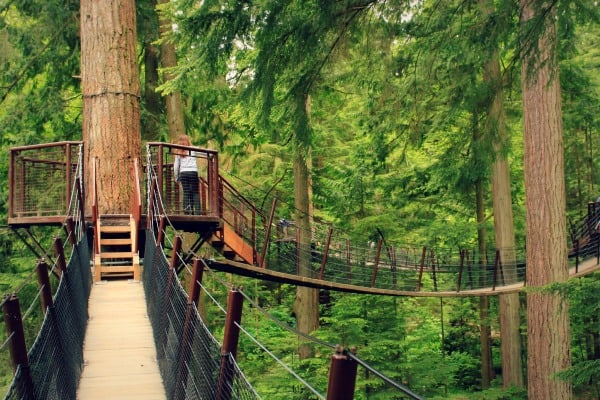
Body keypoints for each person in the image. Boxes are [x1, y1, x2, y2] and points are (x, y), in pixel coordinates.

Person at [173, 135, 201, 215]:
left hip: (183, 173)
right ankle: (198, 212)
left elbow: (176, 166)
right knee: (195, 192)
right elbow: (204, 153)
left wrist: (176, 177)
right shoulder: (193, 149)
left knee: (186, 192)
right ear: (188, 141)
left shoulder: (178, 152)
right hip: (193, 172)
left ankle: (186, 211)